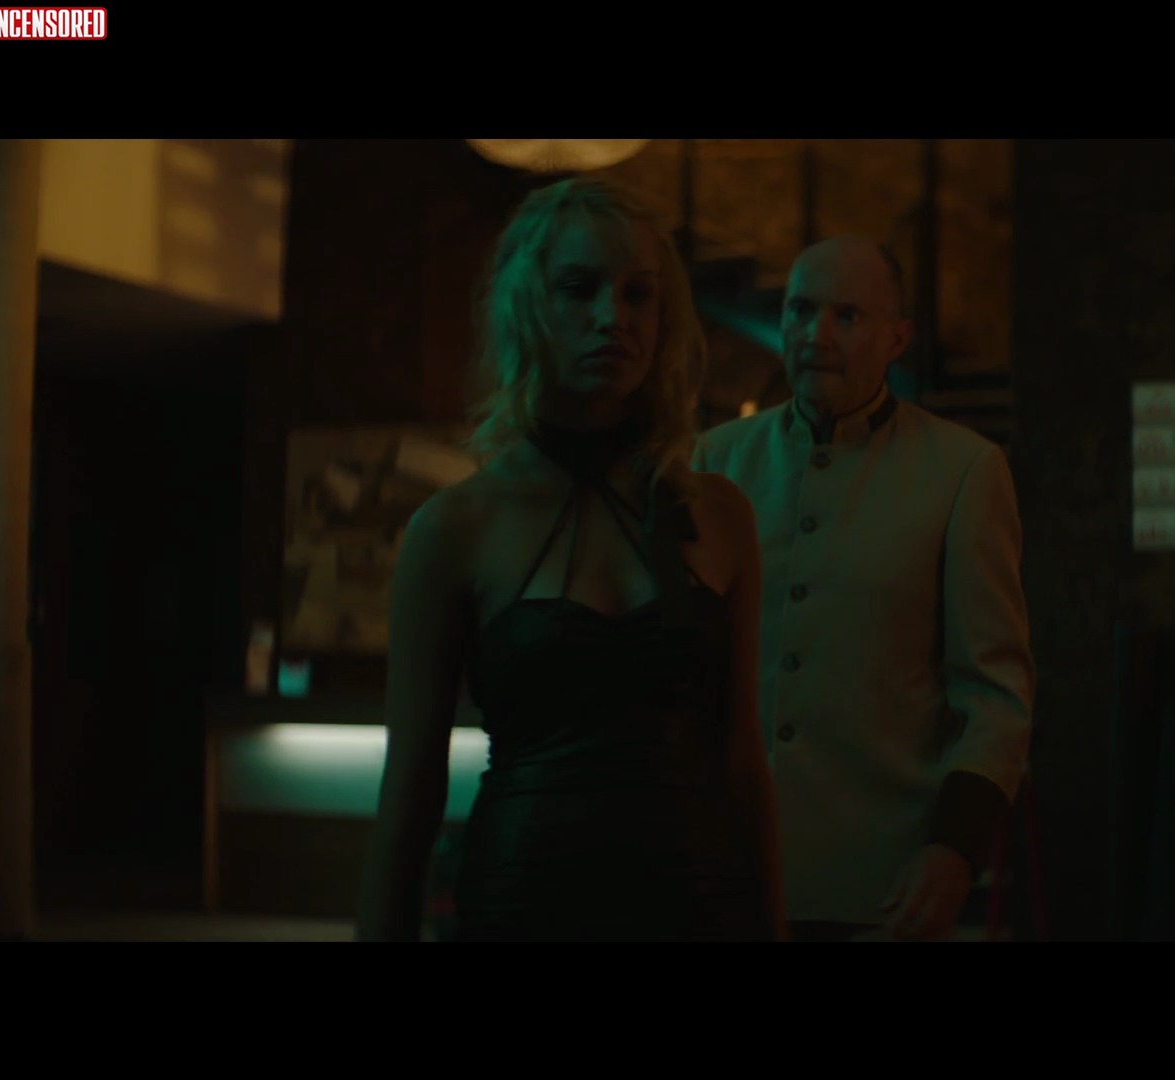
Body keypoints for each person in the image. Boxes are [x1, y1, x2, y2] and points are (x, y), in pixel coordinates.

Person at [356, 175, 783, 942]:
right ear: (530, 307)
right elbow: (411, 786)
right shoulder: (456, 526)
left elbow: (742, 754)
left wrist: (772, 927)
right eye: (579, 289)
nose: (612, 318)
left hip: (700, 908)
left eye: (637, 294)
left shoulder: (718, 515)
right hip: (526, 906)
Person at [692, 235, 1034, 942]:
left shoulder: (962, 472)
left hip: (877, 888)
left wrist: (955, 848)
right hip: (720, 874)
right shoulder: (715, 463)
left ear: (896, 339)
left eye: (846, 316)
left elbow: (994, 697)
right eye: (800, 310)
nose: (816, 334)